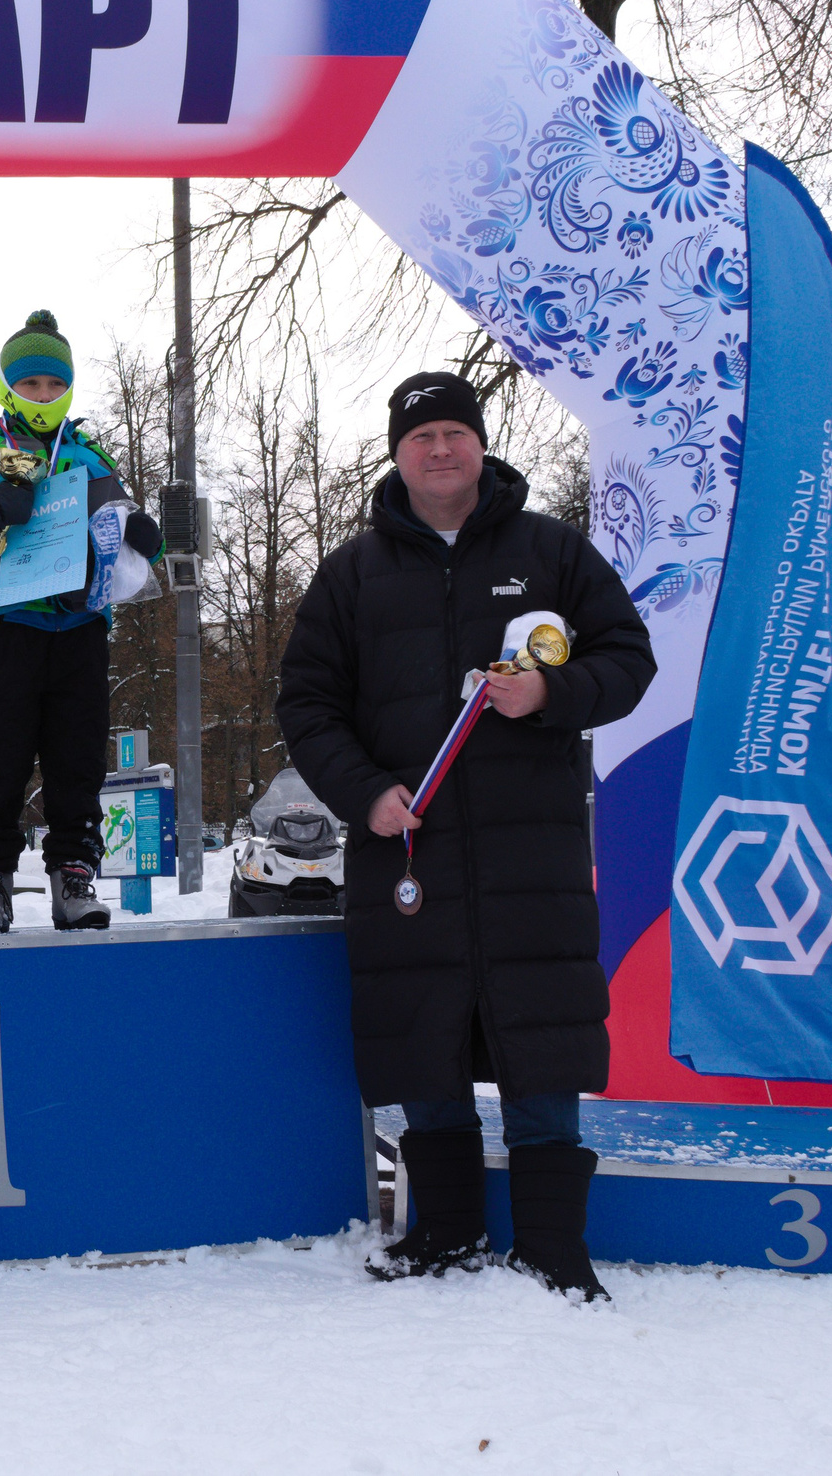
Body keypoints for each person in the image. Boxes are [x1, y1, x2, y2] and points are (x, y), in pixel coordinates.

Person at [274, 372, 656, 1302]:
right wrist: (365, 796)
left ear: (480, 446)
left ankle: (554, 1247)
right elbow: (307, 703)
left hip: (535, 853)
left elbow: (627, 659)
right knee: (424, 1032)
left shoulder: (554, 552)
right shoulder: (351, 574)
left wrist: (548, 694)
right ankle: (444, 1230)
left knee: (540, 1032)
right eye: (421, 436)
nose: (440, 449)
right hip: (407, 851)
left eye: (455, 432)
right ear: (396, 454)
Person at [0, 311, 162, 934]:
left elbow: (122, 533)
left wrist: (146, 537)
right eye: (31, 385)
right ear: (7, 386)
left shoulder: (88, 453)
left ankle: (74, 873)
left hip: (81, 623)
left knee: (77, 756)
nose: (44, 396)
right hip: (7, 623)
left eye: (55, 385)